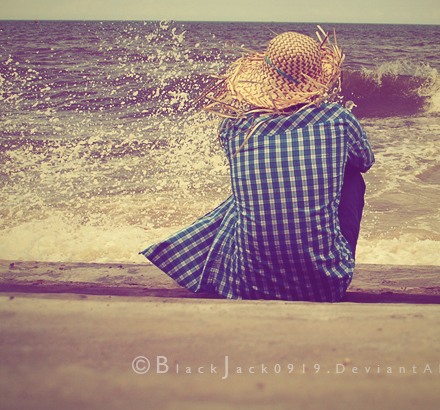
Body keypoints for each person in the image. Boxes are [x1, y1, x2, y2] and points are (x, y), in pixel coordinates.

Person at [141, 30, 374, 302]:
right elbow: (364, 161)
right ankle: (328, 261)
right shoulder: (338, 119)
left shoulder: (235, 127)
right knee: (353, 178)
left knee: (251, 192)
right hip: (326, 286)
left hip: (250, 284)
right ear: (319, 76)